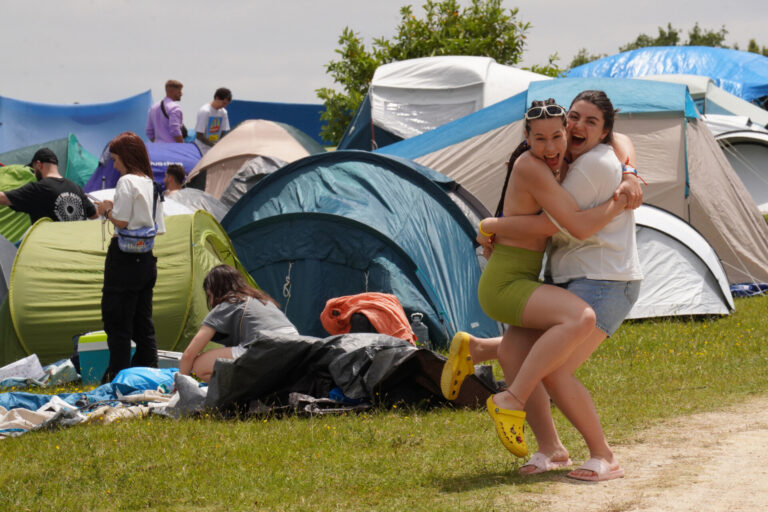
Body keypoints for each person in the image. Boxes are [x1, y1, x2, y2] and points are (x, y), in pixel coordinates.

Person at [445, 91, 643, 482]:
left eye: (589, 122)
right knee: (538, 361)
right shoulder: (550, 162)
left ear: (604, 132)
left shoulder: (589, 162)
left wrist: (631, 174)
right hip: (534, 277)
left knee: (544, 365)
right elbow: (566, 223)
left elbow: (621, 143)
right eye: (575, 118)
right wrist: (491, 225)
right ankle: (549, 443)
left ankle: (590, 455)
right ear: (529, 136)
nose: (572, 130)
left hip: (598, 278)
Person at [94, 132, 166, 382]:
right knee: (142, 321)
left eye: (115, 159)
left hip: (124, 259)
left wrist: (106, 210)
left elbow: (122, 221)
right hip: (147, 259)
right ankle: (149, 369)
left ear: (125, 157)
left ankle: (119, 375)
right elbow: (159, 226)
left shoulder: (127, 182)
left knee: (117, 322)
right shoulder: (151, 183)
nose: (114, 165)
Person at [179, 264, 298, 383]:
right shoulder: (262, 300)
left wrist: (181, 384)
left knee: (200, 365)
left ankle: (244, 392)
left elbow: (189, 354)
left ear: (216, 291)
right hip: (296, 351)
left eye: (209, 295)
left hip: (266, 348)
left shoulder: (230, 302)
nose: (210, 301)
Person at [0, 148, 97, 222]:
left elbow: (3, 198)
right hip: (76, 246)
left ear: (39, 164)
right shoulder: (77, 188)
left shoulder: (38, 189)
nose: (34, 174)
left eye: (34, 170)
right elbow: (94, 215)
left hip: (51, 247)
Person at [195, 87, 232, 153]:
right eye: (223, 103)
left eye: (226, 104)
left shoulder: (223, 112)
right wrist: (213, 145)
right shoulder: (205, 111)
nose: (224, 106)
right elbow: (199, 135)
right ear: (217, 98)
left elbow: (223, 131)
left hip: (213, 149)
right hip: (201, 149)